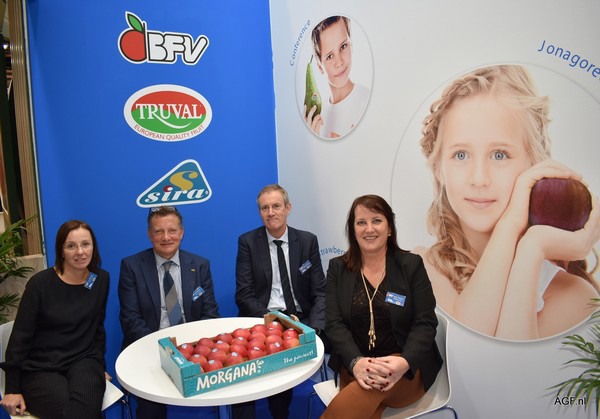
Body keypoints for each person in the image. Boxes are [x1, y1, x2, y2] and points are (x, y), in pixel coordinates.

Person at [417, 64, 600, 340]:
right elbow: (469, 345)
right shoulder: (418, 269)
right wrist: (511, 225)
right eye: (461, 155)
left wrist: (532, 249)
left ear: (535, 164)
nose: (479, 179)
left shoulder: (575, 298)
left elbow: (505, 366)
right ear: (438, 168)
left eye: (499, 155)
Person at [324, 195, 442, 419]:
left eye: (376, 220)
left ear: (389, 228)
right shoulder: (337, 269)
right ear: (353, 230)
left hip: (405, 369)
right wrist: (356, 362)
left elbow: (425, 322)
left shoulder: (411, 265)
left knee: (369, 389)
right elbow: (334, 323)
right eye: (361, 222)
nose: (369, 229)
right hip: (356, 368)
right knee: (367, 402)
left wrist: (404, 362)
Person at [118, 205, 220, 419]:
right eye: (159, 231)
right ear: (149, 235)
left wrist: (192, 348)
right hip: (149, 349)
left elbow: (210, 313)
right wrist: (165, 351)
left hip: (194, 347)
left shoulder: (199, 265)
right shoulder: (132, 267)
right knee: (150, 409)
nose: (166, 237)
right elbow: (130, 320)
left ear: (181, 233)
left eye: (172, 230)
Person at [0, 220, 109, 418]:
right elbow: (20, 337)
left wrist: (99, 367)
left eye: (85, 244)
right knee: (77, 413)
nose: (80, 252)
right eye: (71, 246)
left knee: (86, 404)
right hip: (40, 368)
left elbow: (97, 328)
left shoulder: (100, 279)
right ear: (61, 251)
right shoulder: (40, 284)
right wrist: (12, 388)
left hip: (84, 361)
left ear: (93, 247)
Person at [234, 184, 326, 419]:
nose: (271, 212)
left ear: (288, 208)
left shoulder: (307, 241)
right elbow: (244, 295)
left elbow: (320, 292)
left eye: (276, 206)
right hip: (264, 319)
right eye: (264, 208)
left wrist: (312, 329)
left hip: (302, 319)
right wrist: (277, 321)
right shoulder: (248, 242)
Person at [304, 15, 370, 139]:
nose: (339, 62)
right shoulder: (318, 116)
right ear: (319, 67)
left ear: (351, 45)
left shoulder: (366, 100)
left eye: (343, 46)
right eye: (329, 56)